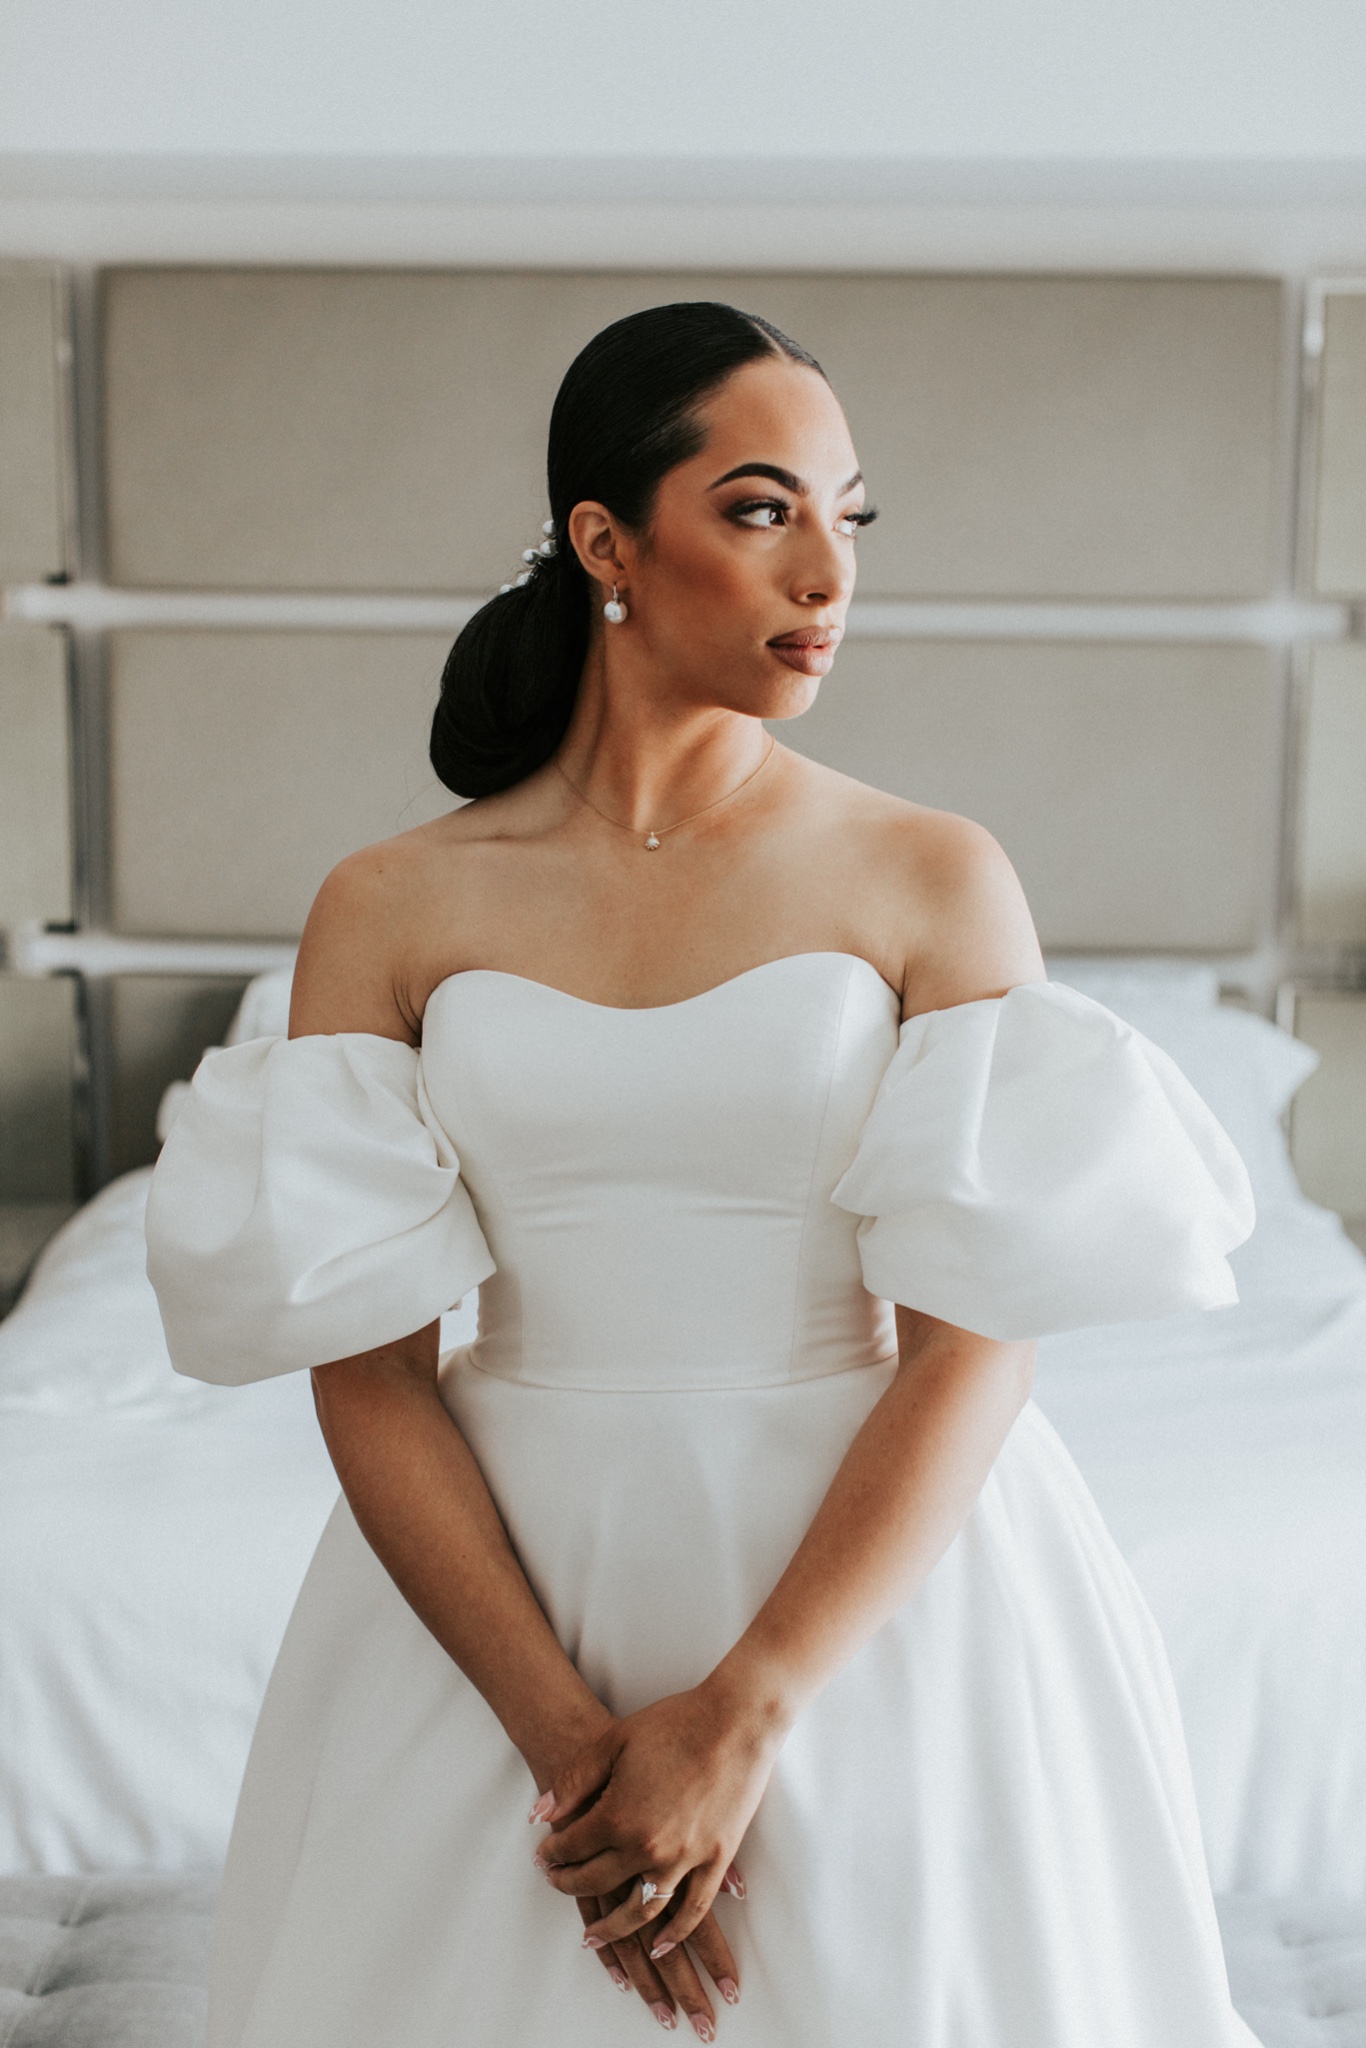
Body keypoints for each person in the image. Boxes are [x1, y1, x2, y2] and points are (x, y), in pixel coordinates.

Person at [146, 301, 1263, 2047]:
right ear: (607, 540)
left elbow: (978, 1341)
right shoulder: (391, 904)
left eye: (849, 516)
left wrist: (744, 1714)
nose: (827, 570)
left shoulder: (929, 872)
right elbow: (364, 1370)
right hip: (491, 1608)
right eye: (761, 510)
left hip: (876, 1599)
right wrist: (573, 1762)